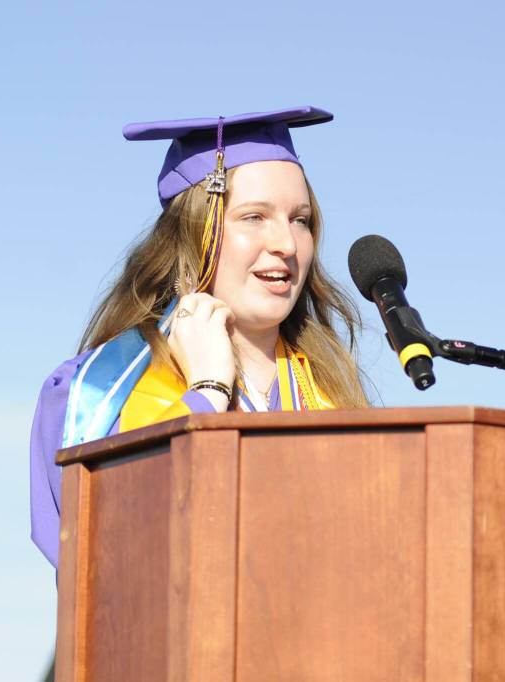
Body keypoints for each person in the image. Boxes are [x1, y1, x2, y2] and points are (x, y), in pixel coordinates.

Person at [29, 106, 368, 568]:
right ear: (195, 232)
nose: (287, 245)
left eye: (300, 220)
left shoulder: (332, 395)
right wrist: (207, 393)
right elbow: (111, 553)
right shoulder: (94, 393)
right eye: (254, 217)